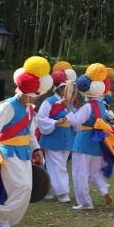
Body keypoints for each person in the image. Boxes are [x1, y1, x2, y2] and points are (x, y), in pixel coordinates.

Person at [0, 57, 50, 227]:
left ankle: (9, 222)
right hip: (8, 153)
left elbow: (30, 133)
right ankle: (3, 220)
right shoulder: (8, 106)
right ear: (24, 92)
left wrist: (36, 149)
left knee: (26, 188)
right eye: (33, 95)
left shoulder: (30, 108)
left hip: (24, 153)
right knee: (21, 187)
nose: (34, 97)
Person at [67, 63, 114, 210]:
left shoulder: (87, 106)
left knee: (80, 174)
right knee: (95, 172)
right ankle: (103, 190)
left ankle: (85, 203)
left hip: (83, 141)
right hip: (97, 142)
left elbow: (76, 121)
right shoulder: (102, 106)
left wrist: (69, 112)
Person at [37, 64, 77, 203]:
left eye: (69, 87)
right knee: (58, 166)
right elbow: (41, 119)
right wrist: (55, 122)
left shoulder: (69, 103)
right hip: (52, 138)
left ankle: (48, 190)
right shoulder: (49, 102)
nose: (68, 90)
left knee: (56, 166)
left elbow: (75, 120)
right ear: (58, 88)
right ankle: (63, 193)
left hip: (67, 138)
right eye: (65, 87)